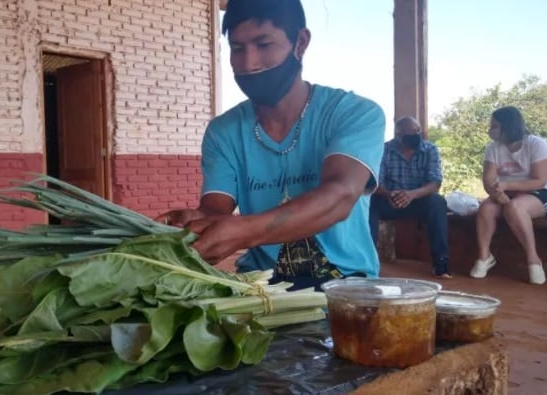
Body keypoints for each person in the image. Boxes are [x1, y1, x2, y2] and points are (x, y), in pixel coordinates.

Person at [156, 0, 385, 291]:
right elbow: (216, 211)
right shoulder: (223, 131)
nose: (249, 63)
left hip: (347, 287)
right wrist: (195, 222)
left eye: (263, 45)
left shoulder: (353, 113)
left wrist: (245, 231)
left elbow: (340, 196)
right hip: (263, 286)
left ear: (300, 42)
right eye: (238, 49)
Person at [470, 106, 547, 285]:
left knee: (515, 207)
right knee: (486, 208)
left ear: (508, 127)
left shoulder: (537, 144)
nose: (489, 130)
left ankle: (533, 259)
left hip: (541, 192)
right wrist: (496, 193)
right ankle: (484, 256)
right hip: (507, 191)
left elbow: (539, 180)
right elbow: (488, 179)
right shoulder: (493, 148)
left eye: (494, 126)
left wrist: (507, 185)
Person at [369, 116, 451, 278]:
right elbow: (376, 182)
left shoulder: (429, 149)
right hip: (389, 200)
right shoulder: (384, 150)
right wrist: (389, 194)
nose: (417, 135)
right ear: (398, 134)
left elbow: (435, 183)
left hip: (418, 200)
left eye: (418, 131)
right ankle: (367, 262)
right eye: (411, 132)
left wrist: (412, 195)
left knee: (438, 202)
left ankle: (441, 263)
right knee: (368, 203)